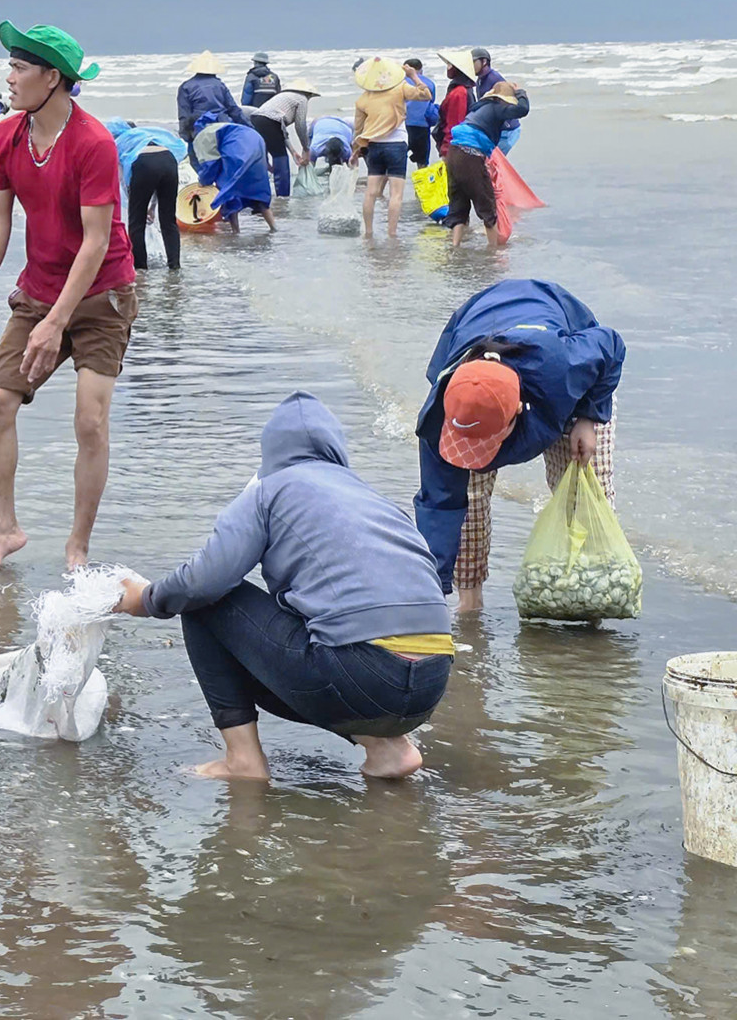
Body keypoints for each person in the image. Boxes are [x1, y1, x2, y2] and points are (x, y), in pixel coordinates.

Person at [115, 394, 453, 782]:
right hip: (431, 682)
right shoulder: (374, 499)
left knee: (206, 604)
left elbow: (203, 581)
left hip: (361, 675)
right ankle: (389, 747)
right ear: (336, 449)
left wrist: (146, 598)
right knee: (330, 624)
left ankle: (242, 760)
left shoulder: (269, 488)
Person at [0, 23, 136, 572]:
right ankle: (5, 529)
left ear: (52, 78)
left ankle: (77, 548)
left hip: (103, 293)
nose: (8, 78)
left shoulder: (94, 143)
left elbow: (96, 242)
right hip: (39, 291)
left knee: (90, 420)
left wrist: (58, 322)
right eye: (10, 66)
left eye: (20, 68)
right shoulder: (7, 137)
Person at [411, 280, 625, 610]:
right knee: (468, 498)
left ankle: (589, 602)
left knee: (582, 493)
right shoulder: (443, 415)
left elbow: (610, 345)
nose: (476, 455)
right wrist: (428, 595)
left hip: (571, 386)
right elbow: (439, 505)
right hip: (475, 327)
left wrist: (588, 415)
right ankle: (470, 605)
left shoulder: (559, 368)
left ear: (515, 416)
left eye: (484, 443)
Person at [443, 82, 532, 248]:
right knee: (486, 202)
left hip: (453, 153)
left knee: (459, 202)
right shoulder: (498, 107)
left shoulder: (480, 107)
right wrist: (521, 92)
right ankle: (493, 248)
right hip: (470, 156)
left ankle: (455, 246)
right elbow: (523, 109)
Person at [351, 57, 428, 238]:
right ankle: (392, 234)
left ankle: (368, 233)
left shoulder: (362, 100)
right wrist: (414, 76)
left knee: (371, 193)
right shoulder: (399, 88)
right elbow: (425, 95)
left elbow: (358, 130)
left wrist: (356, 150)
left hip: (374, 147)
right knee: (396, 194)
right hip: (396, 146)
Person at [107, 119, 188, 271]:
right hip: (168, 160)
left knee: (136, 223)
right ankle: (175, 266)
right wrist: (152, 208)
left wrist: (137, 205)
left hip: (144, 164)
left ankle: (141, 268)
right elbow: (159, 183)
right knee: (168, 219)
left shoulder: (119, 144)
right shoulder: (148, 137)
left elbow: (124, 182)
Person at [190, 119, 277, 233]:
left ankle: (235, 232)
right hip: (256, 140)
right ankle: (274, 228)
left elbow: (211, 165)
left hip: (239, 149)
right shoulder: (217, 126)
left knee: (229, 191)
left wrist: (203, 181)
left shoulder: (202, 136)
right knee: (258, 189)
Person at [246, 81, 314, 198]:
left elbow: (280, 130)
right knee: (280, 157)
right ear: (308, 94)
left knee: (262, 158)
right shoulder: (302, 99)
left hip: (255, 120)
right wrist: (306, 148)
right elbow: (300, 125)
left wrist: (293, 152)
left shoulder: (282, 98)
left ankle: (259, 194)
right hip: (269, 123)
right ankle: (283, 195)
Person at [177, 52, 247, 134]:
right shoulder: (220, 85)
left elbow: (184, 115)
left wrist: (185, 135)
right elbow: (233, 108)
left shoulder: (186, 86)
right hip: (222, 125)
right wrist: (248, 126)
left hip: (200, 126)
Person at [436, 50, 475, 156]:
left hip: (455, 147)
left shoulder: (459, 93)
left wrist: (446, 150)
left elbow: (455, 124)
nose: (447, 68)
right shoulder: (464, 89)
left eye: (449, 65)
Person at [402, 58, 440, 169]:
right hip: (422, 124)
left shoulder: (400, 83)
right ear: (421, 70)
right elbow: (431, 102)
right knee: (422, 161)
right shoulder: (429, 83)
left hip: (404, 124)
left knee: (399, 157)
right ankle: (422, 183)